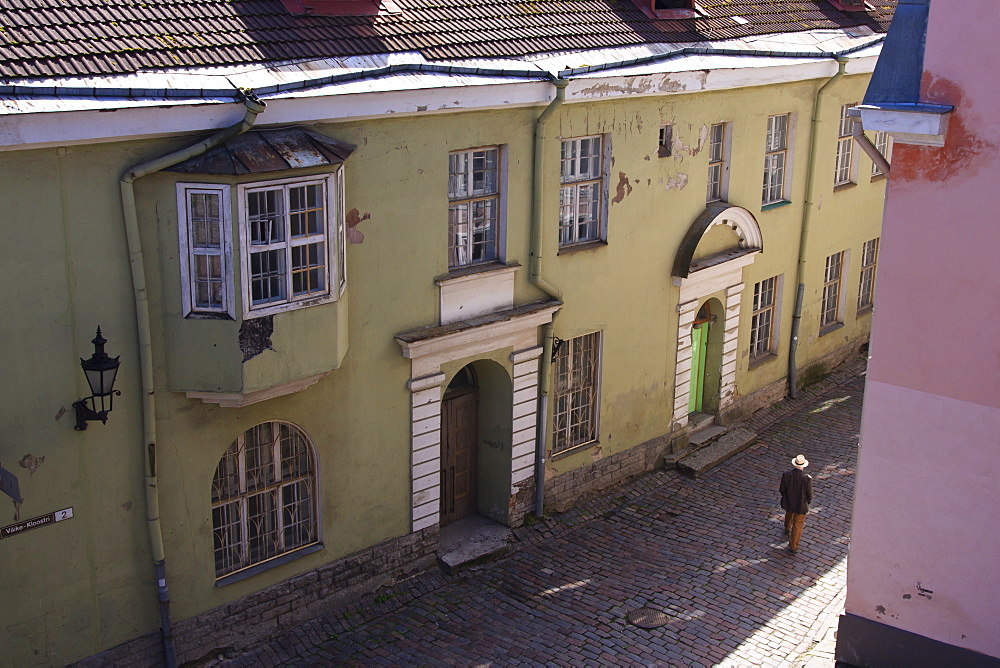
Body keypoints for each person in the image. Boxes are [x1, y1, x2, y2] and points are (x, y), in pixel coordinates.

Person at [779, 454, 813, 553]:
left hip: (789, 501)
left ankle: (787, 527)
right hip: (800, 505)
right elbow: (809, 494)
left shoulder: (786, 475)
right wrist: (807, 502)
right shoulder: (807, 478)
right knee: (798, 525)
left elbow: (782, 489)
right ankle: (793, 546)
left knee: (788, 514)